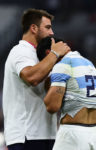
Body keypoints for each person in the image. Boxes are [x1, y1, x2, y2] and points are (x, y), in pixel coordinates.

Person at [2, 8, 70, 150]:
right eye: (47, 27)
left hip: (45, 133)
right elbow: (31, 77)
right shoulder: (20, 51)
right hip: (25, 135)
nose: (52, 33)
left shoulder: (40, 55)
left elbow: (46, 89)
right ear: (33, 28)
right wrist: (55, 53)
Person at [38, 37, 96, 150]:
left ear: (49, 53)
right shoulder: (89, 63)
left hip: (73, 135)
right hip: (94, 134)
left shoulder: (62, 65)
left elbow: (52, 106)